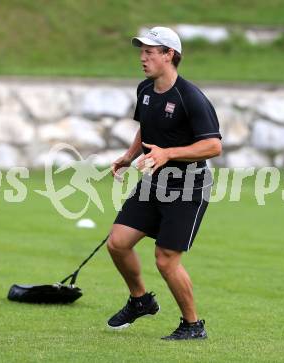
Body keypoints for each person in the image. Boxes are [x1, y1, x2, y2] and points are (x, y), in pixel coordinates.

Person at [106, 26, 222, 340]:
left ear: (169, 55)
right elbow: (147, 127)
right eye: (141, 51)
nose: (143, 58)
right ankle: (141, 300)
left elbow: (213, 146)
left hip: (189, 187)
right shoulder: (145, 89)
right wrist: (129, 157)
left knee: (166, 259)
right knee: (117, 243)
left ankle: (193, 325)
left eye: (150, 52)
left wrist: (168, 153)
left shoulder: (191, 97)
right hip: (154, 182)